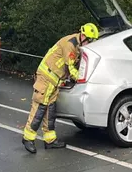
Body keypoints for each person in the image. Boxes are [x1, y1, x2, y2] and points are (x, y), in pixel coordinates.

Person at [21, 23, 100, 153]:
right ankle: (28, 138)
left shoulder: (79, 46)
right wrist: (83, 79)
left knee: (50, 110)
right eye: (90, 40)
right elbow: (71, 67)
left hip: (55, 80)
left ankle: (50, 140)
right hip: (46, 77)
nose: (90, 43)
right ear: (84, 36)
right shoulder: (70, 44)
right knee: (39, 108)